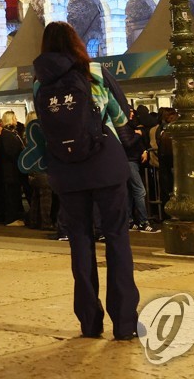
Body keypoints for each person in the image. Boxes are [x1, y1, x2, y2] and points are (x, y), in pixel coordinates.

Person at [33, 21, 139, 340]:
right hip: (105, 163)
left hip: (66, 169)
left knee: (79, 241)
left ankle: (89, 323)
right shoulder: (94, 72)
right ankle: (124, 324)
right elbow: (121, 116)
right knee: (117, 237)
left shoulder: (40, 83)